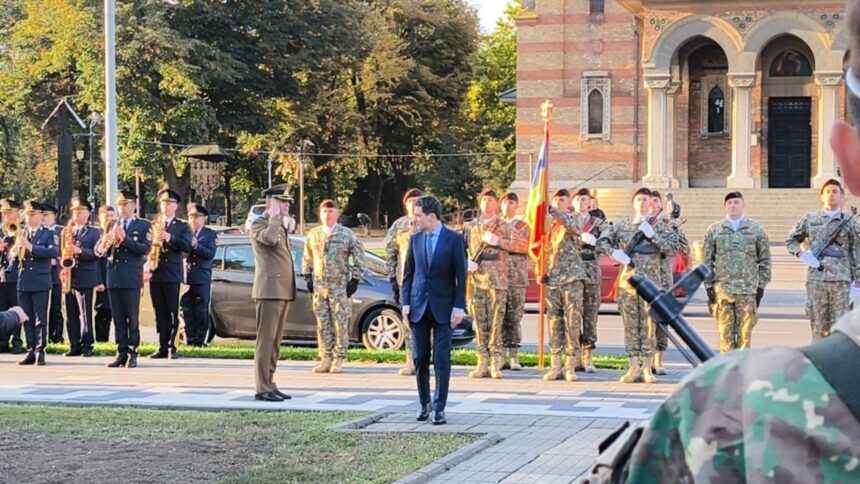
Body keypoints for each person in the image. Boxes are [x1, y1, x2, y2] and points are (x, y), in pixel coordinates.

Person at [584, 23, 860, 474]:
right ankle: (639, 363)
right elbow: (710, 259)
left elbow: (763, 258)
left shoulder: (731, 410)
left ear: (846, 160)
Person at [597, 187, 676, 384]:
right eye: (639, 200)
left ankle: (647, 368)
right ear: (633, 203)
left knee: (649, 326)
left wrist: (654, 236)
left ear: (651, 203)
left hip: (651, 285)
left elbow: (674, 248)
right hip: (628, 284)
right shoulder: (622, 225)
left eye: (646, 200)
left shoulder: (660, 227)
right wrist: (615, 253)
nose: (642, 203)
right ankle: (633, 367)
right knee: (631, 327)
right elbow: (602, 241)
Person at [401, 195, 467, 425]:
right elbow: (409, 274)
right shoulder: (415, 239)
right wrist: (405, 303)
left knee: (441, 358)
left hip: (444, 308)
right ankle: (424, 403)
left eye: (418, 215)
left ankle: (439, 407)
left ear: (432, 216)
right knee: (420, 357)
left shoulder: (454, 239)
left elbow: (462, 276)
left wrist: (459, 306)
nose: (415, 219)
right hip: (419, 307)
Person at [787, 179, 860, 341]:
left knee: (840, 331)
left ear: (842, 197)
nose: (831, 195)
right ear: (821, 197)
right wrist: (802, 254)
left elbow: (856, 251)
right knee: (818, 327)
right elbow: (791, 241)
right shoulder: (810, 219)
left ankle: (839, 365)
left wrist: (858, 283)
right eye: (828, 192)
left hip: (841, 282)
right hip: (816, 281)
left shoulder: (849, 222)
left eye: (835, 192)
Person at [703, 191, 771, 354]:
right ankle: (727, 373)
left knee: (744, 337)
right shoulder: (715, 230)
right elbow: (707, 261)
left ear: (743, 205)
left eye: (736, 202)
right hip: (723, 290)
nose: (732, 205)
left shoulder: (755, 229)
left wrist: (760, 287)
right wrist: (709, 286)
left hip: (747, 291)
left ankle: (742, 373)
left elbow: (765, 260)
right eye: (729, 203)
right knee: (725, 336)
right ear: (725, 206)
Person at [301, 199, 364, 374]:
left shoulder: (346, 234)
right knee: (322, 323)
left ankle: (339, 358)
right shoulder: (313, 234)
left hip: (339, 286)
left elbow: (359, 256)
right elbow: (307, 256)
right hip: (320, 286)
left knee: (340, 323)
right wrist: (307, 274)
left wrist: (355, 279)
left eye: (330, 211)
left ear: (337, 214)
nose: (327, 215)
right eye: (323, 212)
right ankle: (325, 358)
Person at [249, 183, 296, 402]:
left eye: (287, 202)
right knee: (265, 340)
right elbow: (268, 239)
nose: (287, 205)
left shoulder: (280, 225)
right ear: (271, 203)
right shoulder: (259, 223)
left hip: (281, 289)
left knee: (275, 341)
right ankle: (262, 387)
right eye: (282, 201)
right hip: (269, 289)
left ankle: (270, 381)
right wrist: (275, 217)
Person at [463, 189, 514, 379]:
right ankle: (481, 361)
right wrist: (467, 262)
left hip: (497, 281)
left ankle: (495, 362)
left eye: (490, 200)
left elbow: (521, 245)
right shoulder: (471, 226)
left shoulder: (504, 225)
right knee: (480, 322)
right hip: (477, 280)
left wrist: (499, 241)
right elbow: (463, 248)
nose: (487, 203)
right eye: (484, 200)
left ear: (496, 204)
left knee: (496, 322)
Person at [99, 190, 151, 369]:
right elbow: (103, 251)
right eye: (120, 205)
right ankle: (120, 351)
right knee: (118, 318)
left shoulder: (143, 225)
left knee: (132, 318)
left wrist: (125, 239)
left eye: (125, 205)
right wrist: (107, 242)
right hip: (114, 276)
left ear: (134, 206)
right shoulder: (111, 224)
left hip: (130, 277)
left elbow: (144, 248)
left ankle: (132, 352)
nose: (122, 209)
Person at [539, 189, 587, 382]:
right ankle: (555, 365)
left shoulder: (574, 219)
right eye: (556, 200)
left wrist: (554, 211)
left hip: (571, 279)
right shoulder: (549, 225)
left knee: (572, 322)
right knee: (554, 323)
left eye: (563, 200)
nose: (559, 203)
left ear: (569, 204)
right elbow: (541, 249)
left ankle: (570, 365)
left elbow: (575, 227)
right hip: (553, 279)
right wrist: (540, 271)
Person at [148, 188, 193, 359]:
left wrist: (169, 237)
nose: (165, 206)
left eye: (169, 203)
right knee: (159, 311)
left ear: (176, 206)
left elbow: (187, 247)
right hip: (156, 272)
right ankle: (161, 345)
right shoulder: (154, 224)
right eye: (163, 203)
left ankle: (172, 346)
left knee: (172, 311)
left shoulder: (181, 226)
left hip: (172, 273)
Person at [649, 190, 689, 374]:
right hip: (644, 279)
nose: (651, 204)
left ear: (660, 205)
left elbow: (683, 247)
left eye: (655, 201)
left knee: (661, 321)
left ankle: (659, 360)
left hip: (664, 278)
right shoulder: (637, 224)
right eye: (649, 200)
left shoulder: (668, 225)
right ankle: (646, 361)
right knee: (643, 322)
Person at [14, 202, 59, 366]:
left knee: (40, 319)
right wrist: (16, 250)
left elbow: (53, 252)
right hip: (24, 280)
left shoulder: (49, 233)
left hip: (40, 280)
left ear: (41, 217)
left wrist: (31, 247)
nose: (29, 218)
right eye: (27, 215)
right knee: (27, 318)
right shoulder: (21, 233)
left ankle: (40, 351)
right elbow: (14, 259)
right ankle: (30, 350)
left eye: (33, 215)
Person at [384, 188, 423, 376]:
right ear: (405, 204)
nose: (414, 204)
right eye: (410, 201)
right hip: (406, 281)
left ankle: (423, 360)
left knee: (426, 321)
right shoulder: (399, 226)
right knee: (408, 321)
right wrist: (392, 277)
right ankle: (411, 360)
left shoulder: (428, 223)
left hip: (426, 281)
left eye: (417, 201)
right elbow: (390, 254)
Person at [572, 188, 609, 373]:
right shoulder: (566, 222)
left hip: (591, 273)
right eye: (577, 199)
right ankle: (574, 356)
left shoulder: (598, 223)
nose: (580, 202)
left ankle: (588, 356)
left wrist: (596, 241)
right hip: (571, 274)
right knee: (572, 315)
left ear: (589, 202)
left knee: (590, 315)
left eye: (583, 199)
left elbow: (608, 243)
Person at [63, 198, 102, 357]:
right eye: (74, 211)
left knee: (85, 313)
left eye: (80, 211)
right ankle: (74, 344)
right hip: (69, 276)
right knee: (70, 313)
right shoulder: (67, 231)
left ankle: (87, 345)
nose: (76, 214)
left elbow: (96, 254)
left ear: (88, 213)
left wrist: (79, 250)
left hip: (85, 276)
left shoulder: (95, 232)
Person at [499, 192, 529, 371]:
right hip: (498, 277)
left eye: (511, 203)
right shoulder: (496, 224)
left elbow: (523, 244)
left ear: (516, 206)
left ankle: (514, 354)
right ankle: (500, 354)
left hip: (517, 277)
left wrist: (502, 241)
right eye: (504, 203)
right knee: (499, 316)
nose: (507, 206)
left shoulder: (523, 225)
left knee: (514, 317)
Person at [181, 203, 217, 347]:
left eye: (197, 217)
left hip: (201, 278)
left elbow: (210, 254)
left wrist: (196, 246)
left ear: (204, 219)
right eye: (191, 217)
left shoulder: (210, 234)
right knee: (187, 309)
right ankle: (190, 339)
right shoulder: (185, 233)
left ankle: (200, 340)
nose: (193, 220)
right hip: (187, 277)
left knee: (201, 310)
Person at [0, 199, 23, 353]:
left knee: (16, 308)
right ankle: (2, 342)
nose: (8, 216)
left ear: (17, 214)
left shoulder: (22, 231)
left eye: (10, 213)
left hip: (16, 275)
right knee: (1, 309)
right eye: (5, 213)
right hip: (1, 276)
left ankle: (17, 341)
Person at [42, 204, 65, 344]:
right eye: (42, 215)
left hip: (56, 273)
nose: (43, 218)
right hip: (41, 273)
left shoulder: (61, 231)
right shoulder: (39, 231)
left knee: (56, 307)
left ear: (54, 216)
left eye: (46, 215)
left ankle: (56, 336)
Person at [93, 205, 115, 343]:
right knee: (102, 310)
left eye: (112, 216)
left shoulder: (117, 232)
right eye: (106, 216)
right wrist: (97, 280)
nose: (109, 219)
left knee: (113, 310)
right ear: (99, 217)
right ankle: (101, 340)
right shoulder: (95, 233)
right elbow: (95, 260)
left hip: (114, 276)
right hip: (100, 275)